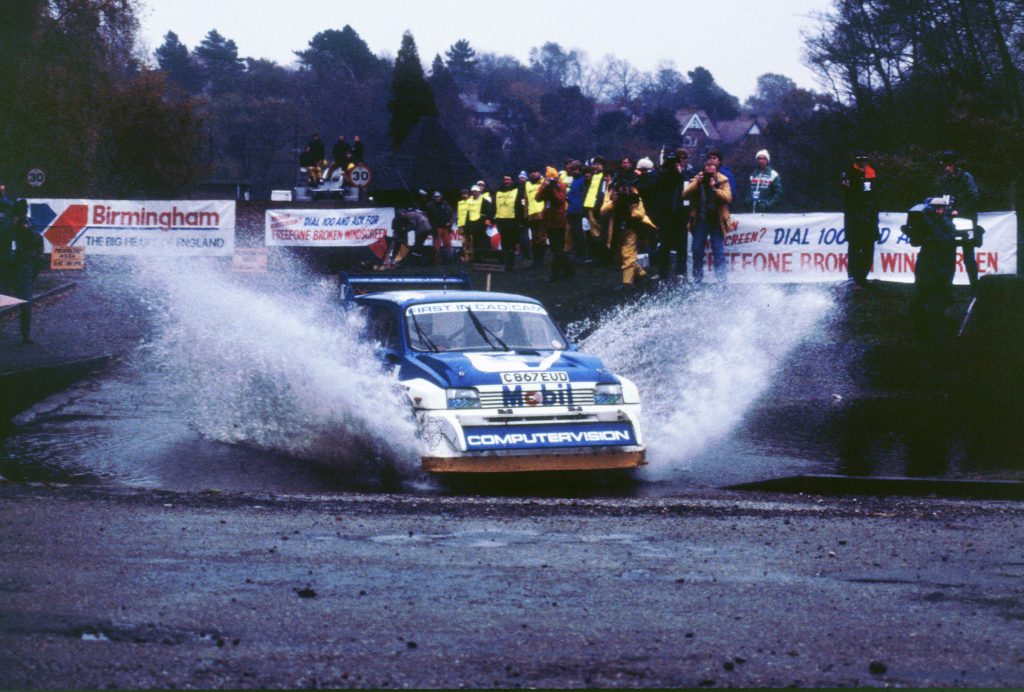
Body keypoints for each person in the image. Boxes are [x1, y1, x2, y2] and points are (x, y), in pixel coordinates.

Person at [913, 197, 958, 341]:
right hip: (926, 265)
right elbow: (915, 242)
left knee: (937, 303)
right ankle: (921, 333)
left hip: (942, 268)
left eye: (941, 208)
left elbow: (945, 242)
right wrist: (912, 231)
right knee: (920, 299)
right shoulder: (926, 222)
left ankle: (938, 337)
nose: (938, 211)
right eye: (935, 208)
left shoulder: (947, 224)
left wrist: (930, 225)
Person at [935, 151, 981, 290]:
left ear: (954, 165)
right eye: (945, 166)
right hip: (949, 222)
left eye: (949, 165)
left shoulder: (966, 177)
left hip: (965, 221)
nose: (947, 168)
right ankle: (947, 288)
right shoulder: (944, 180)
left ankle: (974, 287)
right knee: (948, 256)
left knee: (968, 256)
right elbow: (939, 197)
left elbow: (974, 197)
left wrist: (960, 210)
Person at [0, 200, 44, 344]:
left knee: (26, 301)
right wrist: (10, 225)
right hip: (6, 267)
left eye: (24, 212)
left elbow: (38, 239)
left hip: (23, 266)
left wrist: (27, 229)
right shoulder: (5, 222)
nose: (22, 215)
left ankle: (26, 334)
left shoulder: (30, 223)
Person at [601, 178, 657, 290]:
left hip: (632, 229)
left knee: (627, 254)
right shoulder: (612, 194)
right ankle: (641, 274)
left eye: (624, 189)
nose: (622, 191)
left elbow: (641, 214)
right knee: (622, 256)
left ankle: (627, 283)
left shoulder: (635, 197)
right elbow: (603, 211)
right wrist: (613, 203)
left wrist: (631, 209)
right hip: (617, 230)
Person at [683, 157, 733, 284]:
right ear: (703, 170)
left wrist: (715, 189)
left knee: (718, 252)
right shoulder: (698, 179)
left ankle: (721, 280)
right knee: (697, 250)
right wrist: (696, 183)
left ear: (716, 170)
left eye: (713, 169)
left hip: (717, 220)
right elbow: (685, 194)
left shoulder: (723, 180)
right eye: (708, 168)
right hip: (701, 219)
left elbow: (728, 198)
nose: (710, 171)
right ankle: (697, 279)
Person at [842, 151, 880, 288]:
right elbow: (848, 195)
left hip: (870, 218)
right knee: (855, 249)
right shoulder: (848, 173)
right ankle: (853, 277)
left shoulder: (873, 173)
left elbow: (876, 194)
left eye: (865, 160)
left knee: (869, 248)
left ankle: (863, 276)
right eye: (860, 161)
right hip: (855, 218)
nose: (863, 163)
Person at [537, 167, 574, 281]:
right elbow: (538, 198)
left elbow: (559, 200)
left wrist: (551, 188)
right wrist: (544, 187)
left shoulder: (560, 186)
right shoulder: (546, 185)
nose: (550, 180)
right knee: (555, 249)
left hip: (559, 221)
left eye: (552, 178)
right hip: (549, 221)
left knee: (557, 249)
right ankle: (570, 269)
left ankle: (556, 274)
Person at [493, 174, 523, 271]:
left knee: (511, 242)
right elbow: (494, 205)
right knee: (504, 242)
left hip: (512, 220)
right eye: (505, 179)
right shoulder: (498, 191)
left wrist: (520, 221)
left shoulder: (517, 190)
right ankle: (504, 263)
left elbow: (520, 206)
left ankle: (510, 263)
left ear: (512, 180)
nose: (506, 181)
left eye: (508, 179)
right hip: (501, 219)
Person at [524, 170, 546, 267]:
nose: (533, 174)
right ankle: (535, 260)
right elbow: (526, 200)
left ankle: (541, 260)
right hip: (531, 214)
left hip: (542, 213)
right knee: (534, 238)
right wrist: (526, 214)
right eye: (531, 172)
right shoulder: (527, 184)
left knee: (541, 237)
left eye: (535, 172)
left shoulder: (543, 182)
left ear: (539, 173)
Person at [425, 191, 454, 265]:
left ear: (441, 197)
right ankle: (437, 260)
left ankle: (449, 260)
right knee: (436, 245)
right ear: (433, 198)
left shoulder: (445, 204)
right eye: (436, 197)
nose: (437, 198)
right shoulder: (429, 205)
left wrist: (450, 222)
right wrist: (431, 226)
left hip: (446, 227)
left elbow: (451, 214)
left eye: (439, 197)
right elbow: (428, 217)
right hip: (436, 227)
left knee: (447, 243)